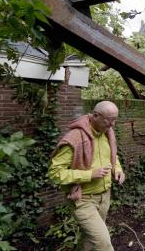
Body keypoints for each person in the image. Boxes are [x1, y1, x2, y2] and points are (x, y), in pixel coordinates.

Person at [49, 101, 125, 251]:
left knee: (89, 239)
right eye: (109, 120)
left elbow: (113, 156)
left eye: (115, 119)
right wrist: (89, 174)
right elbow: (55, 173)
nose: (113, 124)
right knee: (104, 244)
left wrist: (118, 170)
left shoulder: (107, 133)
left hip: (104, 197)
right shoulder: (75, 138)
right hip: (83, 200)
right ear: (96, 116)